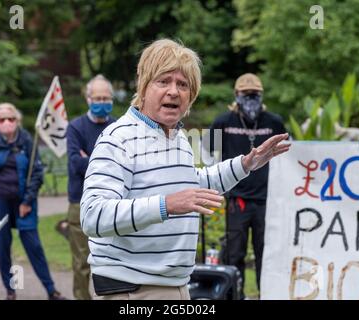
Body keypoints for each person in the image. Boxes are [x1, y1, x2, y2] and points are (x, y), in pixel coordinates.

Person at [80, 39, 290, 300]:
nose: (174, 91)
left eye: (183, 84)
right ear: (144, 86)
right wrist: (167, 204)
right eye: (163, 81)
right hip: (132, 288)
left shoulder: (176, 137)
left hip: (172, 284)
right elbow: (93, 216)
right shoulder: (118, 138)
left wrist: (246, 164)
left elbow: (194, 186)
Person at [0, 103, 66, 300]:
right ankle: (11, 291)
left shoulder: (27, 140)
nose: (7, 122)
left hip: (24, 202)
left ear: (17, 121)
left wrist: (28, 200)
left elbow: (36, 172)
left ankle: (51, 290)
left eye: (11, 119)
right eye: (2, 119)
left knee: (34, 246)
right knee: (3, 247)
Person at [207, 73, 287, 299]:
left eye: (255, 95)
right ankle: (235, 295)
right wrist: (214, 187)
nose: (251, 99)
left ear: (262, 96)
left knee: (266, 253)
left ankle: (267, 294)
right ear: (236, 96)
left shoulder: (274, 122)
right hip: (237, 199)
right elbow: (206, 152)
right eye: (246, 94)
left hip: (266, 200)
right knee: (235, 253)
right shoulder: (224, 122)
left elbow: (286, 157)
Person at [65, 75, 116, 300]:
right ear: (88, 99)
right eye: (97, 97)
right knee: (82, 261)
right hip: (80, 202)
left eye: (106, 98)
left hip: (114, 202)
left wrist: (91, 158)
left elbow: (124, 163)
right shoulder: (75, 127)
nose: (102, 101)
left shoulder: (117, 126)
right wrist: (105, 161)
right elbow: (76, 164)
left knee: (112, 260)